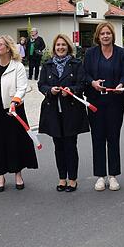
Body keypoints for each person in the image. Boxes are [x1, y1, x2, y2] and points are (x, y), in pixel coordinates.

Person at [0, 35, 37, 192]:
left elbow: (22, 87)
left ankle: (18, 174)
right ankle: (0, 175)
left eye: (0, 45)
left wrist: (15, 102)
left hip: (13, 111)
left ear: (8, 48)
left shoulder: (17, 66)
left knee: (14, 142)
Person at [38, 34, 89, 193]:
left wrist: (71, 91)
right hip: (53, 111)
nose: (60, 48)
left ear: (68, 47)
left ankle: (72, 179)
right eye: (58, 45)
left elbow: (82, 83)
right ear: (54, 48)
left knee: (70, 146)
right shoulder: (47, 65)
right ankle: (62, 178)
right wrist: (49, 90)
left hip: (71, 111)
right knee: (58, 146)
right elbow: (41, 85)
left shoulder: (76, 64)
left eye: (63, 45)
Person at [83, 22, 124, 191]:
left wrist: (122, 84)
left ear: (112, 35)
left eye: (108, 33)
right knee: (98, 138)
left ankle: (114, 176)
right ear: (98, 36)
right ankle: (100, 176)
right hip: (95, 103)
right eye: (102, 33)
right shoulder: (90, 54)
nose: (105, 36)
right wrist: (93, 83)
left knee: (113, 138)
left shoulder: (122, 54)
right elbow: (85, 74)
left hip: (115, 102)